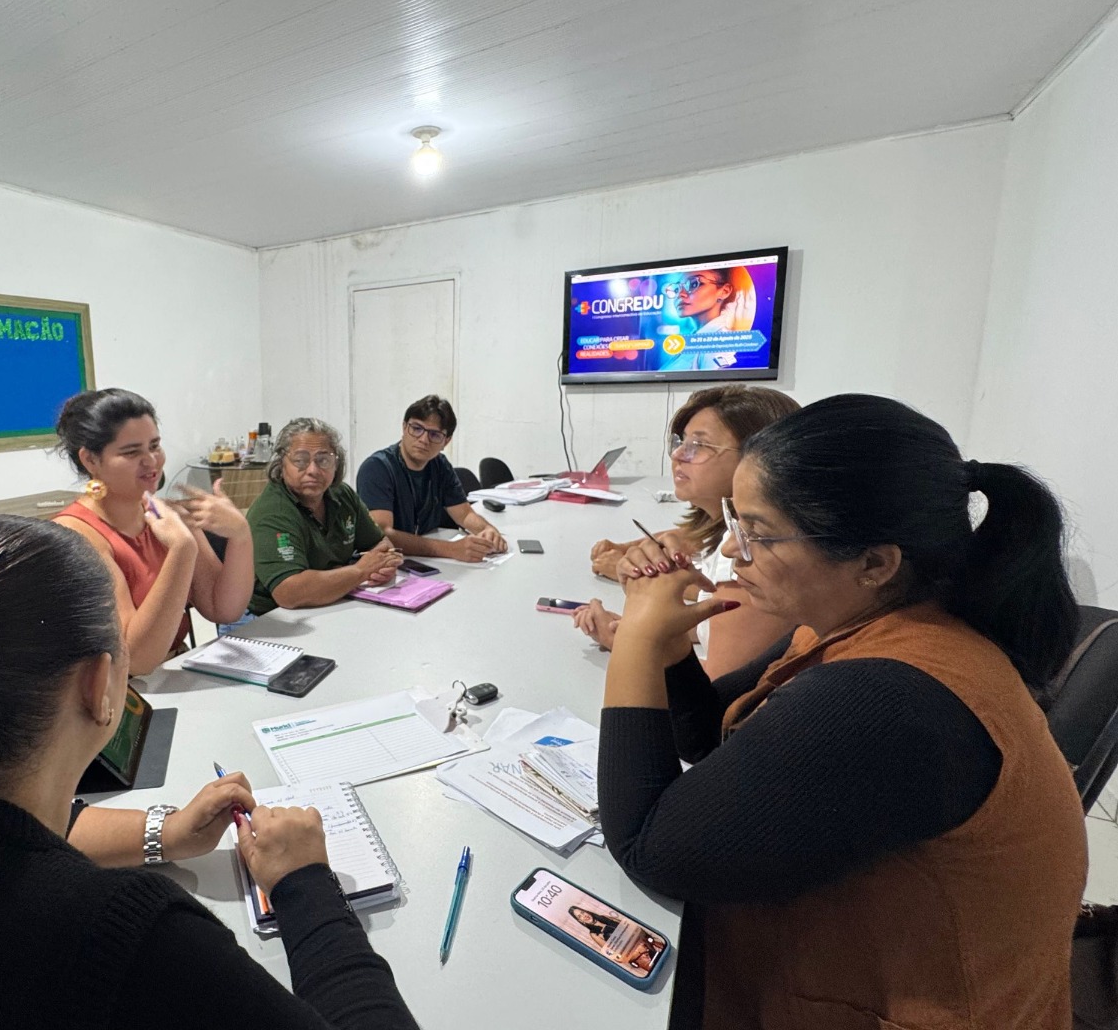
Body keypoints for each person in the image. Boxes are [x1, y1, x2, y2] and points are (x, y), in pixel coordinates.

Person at [0, 515, 419, 1030]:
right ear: (98, 685)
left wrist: (166, 833)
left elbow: (3, 840)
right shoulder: (131, 935)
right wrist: (303, 884)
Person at [595, 394, 1088, 1029]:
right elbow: (710, 736)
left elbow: (649, 849)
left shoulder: (892, 698)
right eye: (736, 522)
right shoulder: (867, 620)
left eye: (759, 533)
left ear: (875, 562)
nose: (736, 552)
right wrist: (669, 648)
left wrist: (636, 639)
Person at [576, 385, 798, 678]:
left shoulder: (750, 558)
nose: (678, 454)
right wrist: (642, 628)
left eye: (699, 445)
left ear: (759, 458)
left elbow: (717, 686)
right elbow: (714, 627)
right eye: (681, 442)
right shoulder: (731, 535)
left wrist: (625, 640)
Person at [53, 389, 253, 673]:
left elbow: (223, 608)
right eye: (132, 452)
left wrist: (240, 535)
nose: (152, 461)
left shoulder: (164, 515)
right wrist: (182, 550)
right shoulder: (77, 535)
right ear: (91, 460)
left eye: (155, 446)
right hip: (119, 689)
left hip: (174, 674)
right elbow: (135, 660)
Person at [245, 417, 402, 614]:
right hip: (267, 616)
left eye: (323, 460)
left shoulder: (342, 494)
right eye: (300, 460)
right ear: (281, 464)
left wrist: (384, 565)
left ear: (336, 464)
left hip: (331, 601)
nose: (313, 470)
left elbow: (380, 543)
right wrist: (360, 571)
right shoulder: (272, 512)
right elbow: (289, 593)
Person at [356, 395, 507, 562]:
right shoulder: (377, 468)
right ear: (404, 427)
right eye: (416, 428)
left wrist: (487, 530)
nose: (423, 439)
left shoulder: (440, 465)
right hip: (391, 563)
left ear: (446, 442)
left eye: (435, 435)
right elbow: (383, 533)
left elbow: (464, 515)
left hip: (426, 560)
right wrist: (451, 549)